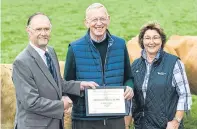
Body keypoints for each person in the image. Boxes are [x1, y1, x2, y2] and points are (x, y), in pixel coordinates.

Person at [12, 12, 98, 129]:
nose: (43, 33)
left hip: (54, 124)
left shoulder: (51, 52)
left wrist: (80, 86)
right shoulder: (22, 62)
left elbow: (57, 83)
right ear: (28, 30)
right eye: (38, 29)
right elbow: (31, 102)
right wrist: (61, 105)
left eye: (46, 29)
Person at [64, 3, 133, 129]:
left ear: (108, 19)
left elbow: (129, 77)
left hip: (115, 120)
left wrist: (130, 87)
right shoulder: (74, 48)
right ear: (86, 22)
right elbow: (67, 84)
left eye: (102, 18)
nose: (99, 23)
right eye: (94, 19)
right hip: (84, 120)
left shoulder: (120, 45)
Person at [131, 21, 192, 129]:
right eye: (147, 38)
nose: (151, 42)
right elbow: (133, 97)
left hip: (167, 126)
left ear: (162, 40)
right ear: (142, 41)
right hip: (141, 125)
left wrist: (176, 121)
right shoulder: (135, 65)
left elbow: (184, 95)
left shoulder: (174, 63)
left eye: (155, 37)